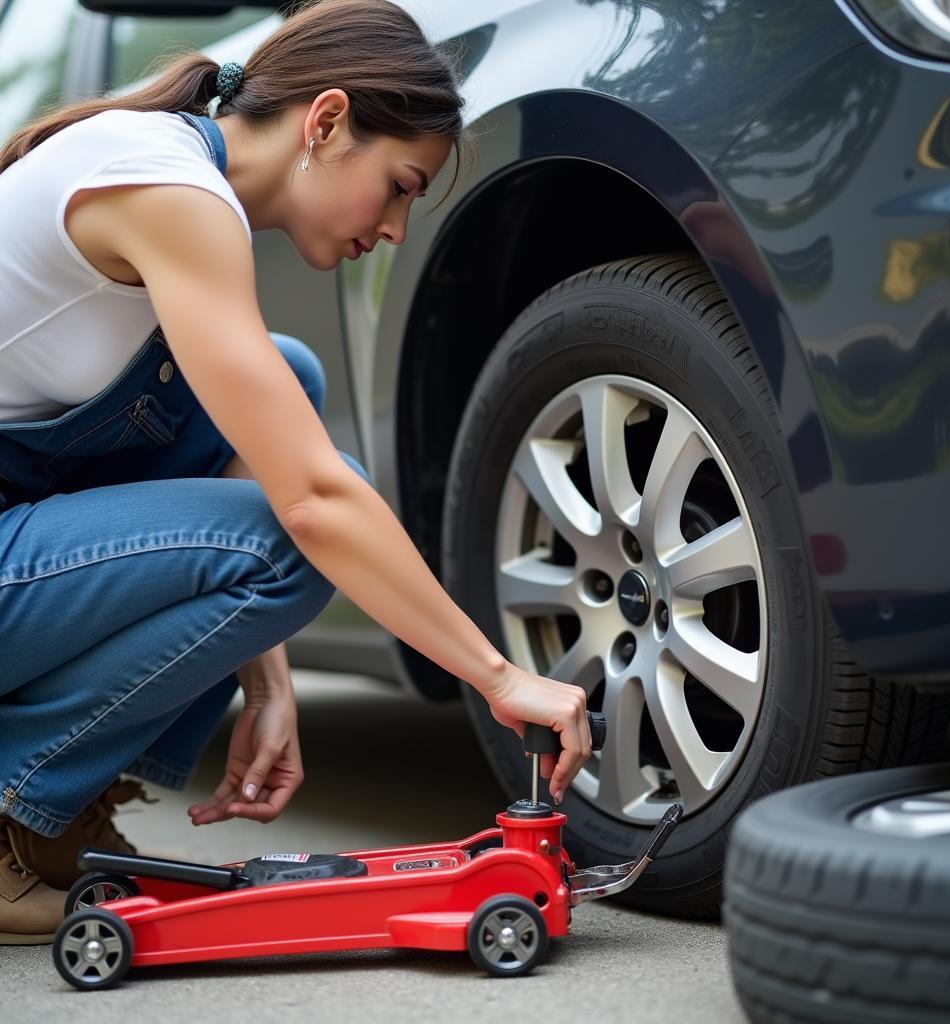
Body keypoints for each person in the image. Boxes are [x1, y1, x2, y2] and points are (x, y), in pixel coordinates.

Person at [0, 0, 592, 944]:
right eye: (399, 186)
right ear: (325, 122)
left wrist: (269, 686)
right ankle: (14, 798)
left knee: (292, 375)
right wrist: (495, 675)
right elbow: (311, 502)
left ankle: (51, 808)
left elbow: (256, 455)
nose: (396, 227)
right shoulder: (165, 190)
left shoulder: (172, 170)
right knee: (291, 538)